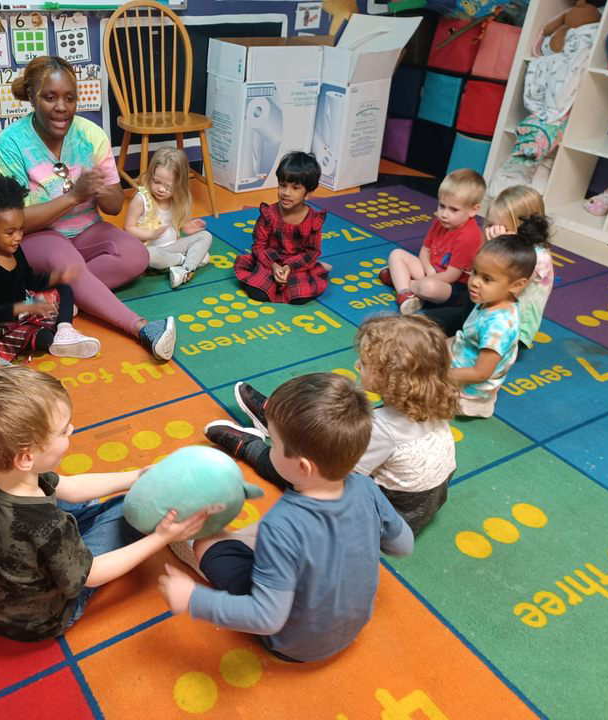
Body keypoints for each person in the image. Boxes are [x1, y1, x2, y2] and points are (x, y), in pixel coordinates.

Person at [160, 374, 413, 663]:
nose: (271, 449)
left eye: (275, 445)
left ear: (303, 467)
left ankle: (194, 552)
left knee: (206, 542)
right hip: (352, 626)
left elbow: (266, 618)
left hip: (293, 644)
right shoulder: (367, 488)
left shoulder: (280, 525)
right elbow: (403, 544)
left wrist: (193, 599)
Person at [0, 364, 208, 641]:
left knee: (75, 502)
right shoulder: (44, 524)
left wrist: (136, 475)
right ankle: (166, 531)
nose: (71, 430)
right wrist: (160, 538)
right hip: (40, 620)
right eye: (62, 432)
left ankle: (96, 516)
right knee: (128, 509)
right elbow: (93, 574)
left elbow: (71, 488)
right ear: (26, 457)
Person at [0, 55, 176, 361]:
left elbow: (115, 206)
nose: (61, 107)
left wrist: (101, 188)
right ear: (33, 97)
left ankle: (60, 297)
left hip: (87, 230)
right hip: (37, 238)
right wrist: (74, 197)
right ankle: (142, 328)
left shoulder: (91, 135)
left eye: (69, 98)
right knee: (67, 259)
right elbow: (14, 222)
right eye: (50, 98)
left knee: (137, 255)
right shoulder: (10, 145)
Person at [205, 315, 458, 534]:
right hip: (424, 503)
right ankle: (279, 419)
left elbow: (336, 475)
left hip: (389, 517)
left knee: (304, 472)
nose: (357, 365)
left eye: (366, 365)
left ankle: (251, 446)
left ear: (393, 380)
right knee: (340, 425)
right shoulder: (429, 401)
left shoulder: (382, 428)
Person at [0, 174, 100, 361]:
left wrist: (57, 277)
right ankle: (50, 330)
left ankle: (64, 330)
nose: (18, 237)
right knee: (43, 338)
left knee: (64, 290)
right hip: (4, 322)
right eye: (10, 232)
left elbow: (29, 280)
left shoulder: (15, 250)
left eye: (21, 229)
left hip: (26, 305)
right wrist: (24, 307)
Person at [423, 185, 554, 345]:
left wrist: (501, 248)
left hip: (509, 330)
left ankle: (460, 339)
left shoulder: (538, 257)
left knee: (437, 347)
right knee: (422, 321)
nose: (491, 231)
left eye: (501, 228)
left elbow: (505, 289)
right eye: (490, 225)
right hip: (481, 312)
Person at [451, 216, 549, 417]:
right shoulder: (491, 301)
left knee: (409, 390)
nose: (475, 282)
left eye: (486, 279)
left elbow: (481, 373)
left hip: (468, 394)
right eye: (475, 272)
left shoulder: (499, 326)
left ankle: (477, 406)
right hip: (461, 360)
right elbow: (465, 336)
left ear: (517, 285)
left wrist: (437, 375)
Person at [378, 168, 486, 315]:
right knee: (396, 254)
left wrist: (427, 278)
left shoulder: (469, 236)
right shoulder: (440, 221)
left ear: (473, 210)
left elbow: (451, 276)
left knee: (429, 288)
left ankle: (398, 279)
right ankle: (404, 294)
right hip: (430, 272)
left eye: (454, 210)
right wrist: (428, 270)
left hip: (451, 287)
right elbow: (425, 250)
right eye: (442, 206)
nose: (444, 214)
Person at [233, 152, 329, 304]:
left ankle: (318, 268)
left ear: (308, 193)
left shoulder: (313, 220)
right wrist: (274, 265)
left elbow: (312, 252)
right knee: (257, 292)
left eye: (295, 188)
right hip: (270, 262)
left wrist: (289, 267)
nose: (286, 193)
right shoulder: (269, 214)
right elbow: (259, 246)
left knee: (300, 297)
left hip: (297, 265)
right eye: (282, 185)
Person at [123, 147, 212, 289]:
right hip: (150, 250)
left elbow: (177, 225)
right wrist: (150, 234)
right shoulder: (141, 199)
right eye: (157, 182)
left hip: (172, 249)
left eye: (168, 186)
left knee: (205, 237)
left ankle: (183, 270)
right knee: (147, 255)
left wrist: (186, 226)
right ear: (150, 174)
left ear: (179, 185)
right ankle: (187, 263)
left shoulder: (177, 200)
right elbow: (128, 228)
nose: (161, 189)